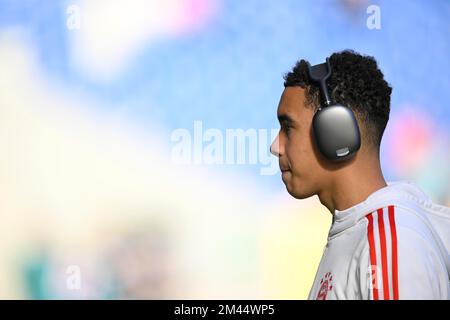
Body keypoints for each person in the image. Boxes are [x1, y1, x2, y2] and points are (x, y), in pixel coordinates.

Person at [270, 50, 450, 300]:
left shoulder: (392, 244)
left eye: (287, 128)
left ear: (335, 132)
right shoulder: (363, 232)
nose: (275, 146)